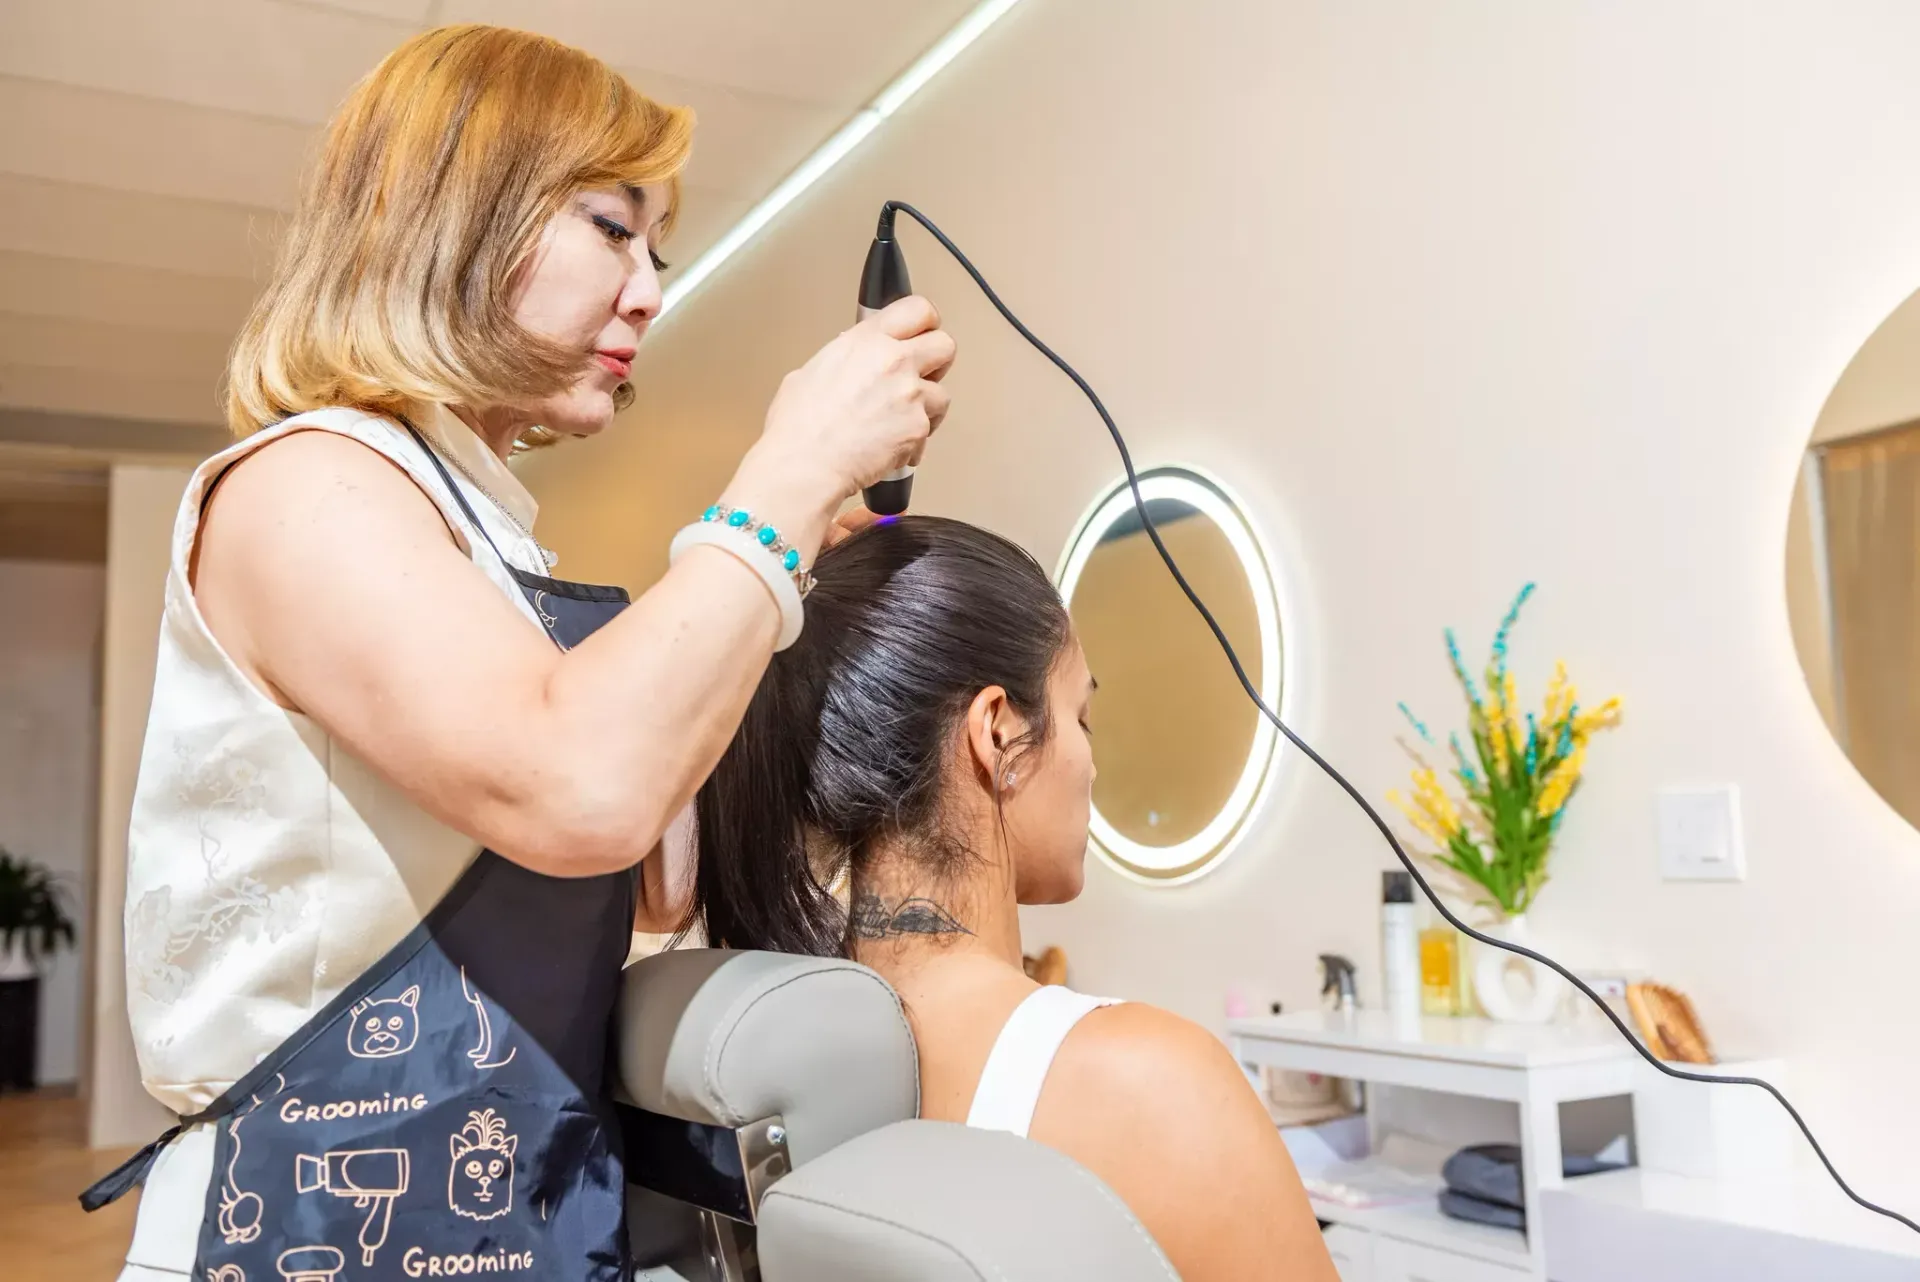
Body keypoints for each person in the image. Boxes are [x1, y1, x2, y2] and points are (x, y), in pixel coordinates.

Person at [87, 24, 955, 1282]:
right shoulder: (307, 482)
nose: (652, 287)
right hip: (311, 1230)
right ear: (458, 214)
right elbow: (581, 786)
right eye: (614, 227)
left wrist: (783, 554)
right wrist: (784, 476)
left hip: (527, 1215)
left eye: (659, 248)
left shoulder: (485, 543)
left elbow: (655, 880)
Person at [687, 516, 1340, 1282]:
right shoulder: (1149, 1085)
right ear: (996, 733)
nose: (1093, 764)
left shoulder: (776, 1069)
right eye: (1081, 716)